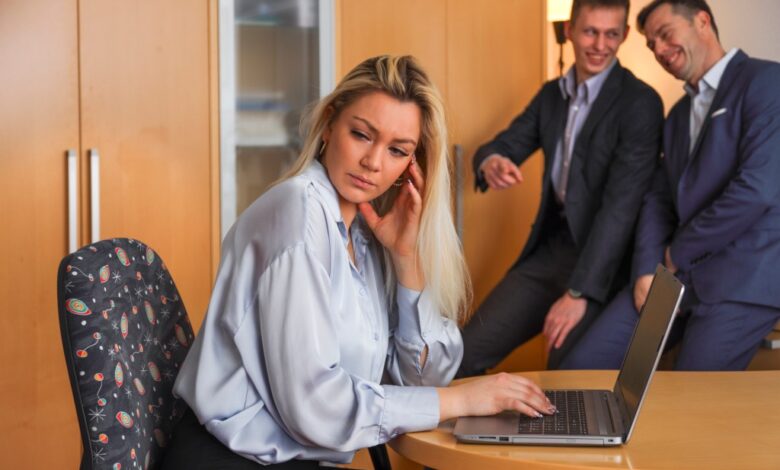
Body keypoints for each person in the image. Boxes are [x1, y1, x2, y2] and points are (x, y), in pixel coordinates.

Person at [162, 55, 555, 469]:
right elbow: (315, 405)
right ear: (330, 124)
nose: (373, 162)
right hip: (229, 460)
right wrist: (460, 399)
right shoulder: (297, 213)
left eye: (397, 150)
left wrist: (408, 262)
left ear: (411, 167)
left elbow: (423, 380)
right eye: (362, 135)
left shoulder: (363, 237)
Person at [561, 0, 780, 371]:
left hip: (742, 278)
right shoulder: (677, 114)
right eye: (650, 44)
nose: (659, 50)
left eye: (664, 35)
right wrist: (648, 268)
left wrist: (677, 253)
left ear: (702, 21)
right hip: (672, 277)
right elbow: (657, 199)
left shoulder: (766, 82)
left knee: (689, 397)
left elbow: (756, 190)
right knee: (581, 366)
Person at [458, 0, 664, 376]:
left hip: (606, 263)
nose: (600, 45)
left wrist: (579, 292)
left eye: (611, 34)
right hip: (551, 252)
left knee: (564, 374)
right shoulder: (551, 95)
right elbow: (504, 144)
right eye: (590, 32)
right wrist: (492, 162)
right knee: (464, 353)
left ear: (625, 36)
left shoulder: (640, 103)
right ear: (569, 29)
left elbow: (620, 209)